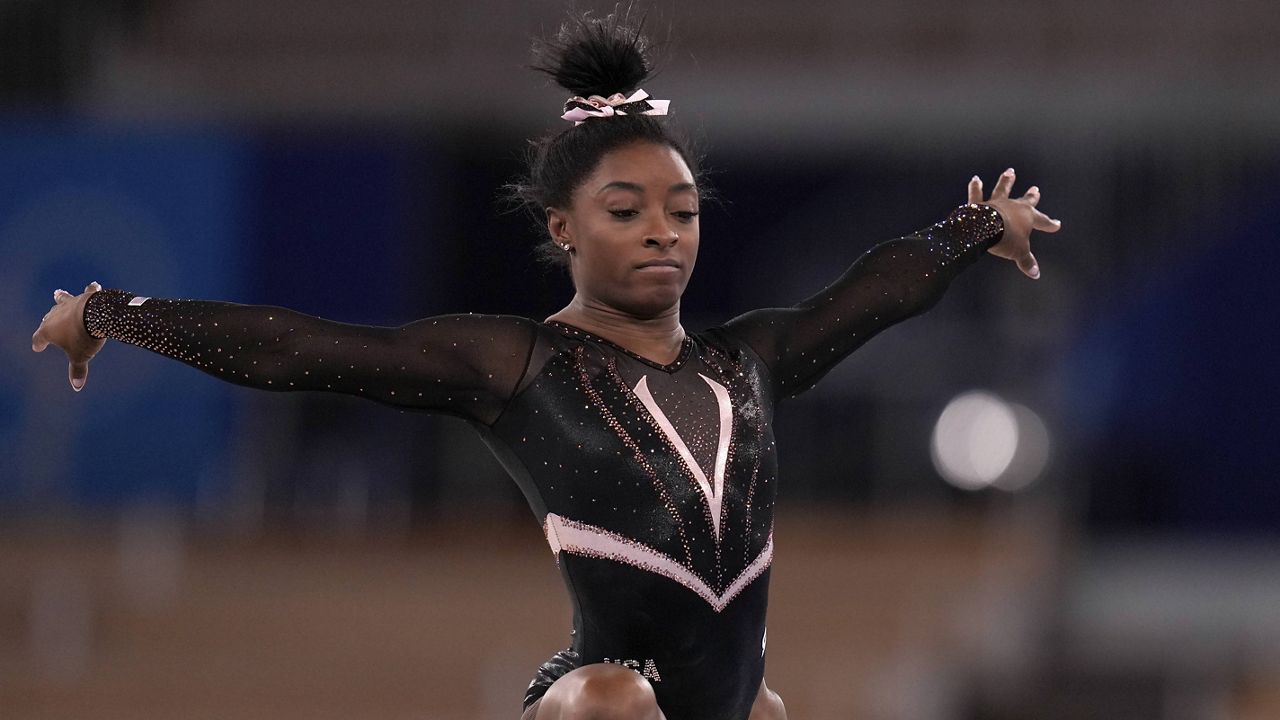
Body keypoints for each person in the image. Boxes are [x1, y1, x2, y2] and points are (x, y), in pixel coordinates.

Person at [30, 9, 1061, 720]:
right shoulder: (520, 363)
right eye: (626, 213)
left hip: (720, 707)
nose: (662, 233)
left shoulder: (744, 362)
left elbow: (869, 293)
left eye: (682, 212)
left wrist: (976, 227)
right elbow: (308, 348)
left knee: (766, 706)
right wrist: (117, 313)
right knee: (619, 699)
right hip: (591, 703)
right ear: (563, 227)